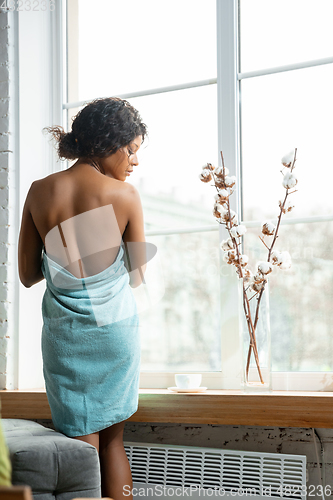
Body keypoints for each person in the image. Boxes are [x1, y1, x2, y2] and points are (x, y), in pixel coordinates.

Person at [17, 97, 148, 500]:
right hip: (115, 334)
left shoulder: (40, 192)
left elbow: (26, 275)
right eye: (131, 150)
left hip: (66, 338)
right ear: (108, 142)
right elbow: (138, 275)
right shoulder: (125, 196)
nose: (134, 162)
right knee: (113, 443)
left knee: (79, 447)